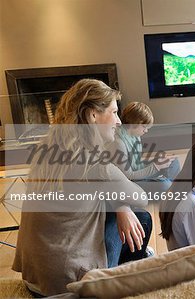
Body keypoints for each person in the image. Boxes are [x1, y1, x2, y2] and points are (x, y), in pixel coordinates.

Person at [13, 79, 152, 296]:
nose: (118, 121)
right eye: (114, 112)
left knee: (122, 210)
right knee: (142, 216)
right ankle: (123, 285)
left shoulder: (46, 149)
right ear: (93, 115)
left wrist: (119, 205)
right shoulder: (94, 165)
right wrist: (123, 205)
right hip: (67, 285)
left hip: (34, 277)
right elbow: (141, 197)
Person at [108, 101, 180, 193]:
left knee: (173, 161)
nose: (146, 131)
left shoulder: (135, 136)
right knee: (164, 185)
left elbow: (138, 164)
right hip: (129, 183)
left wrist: (158, 163)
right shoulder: (118, 143)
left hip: (137, 173)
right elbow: (128, 176)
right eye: (144, 127)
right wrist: (156, 167)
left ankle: (171, 188)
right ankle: (169, 187)